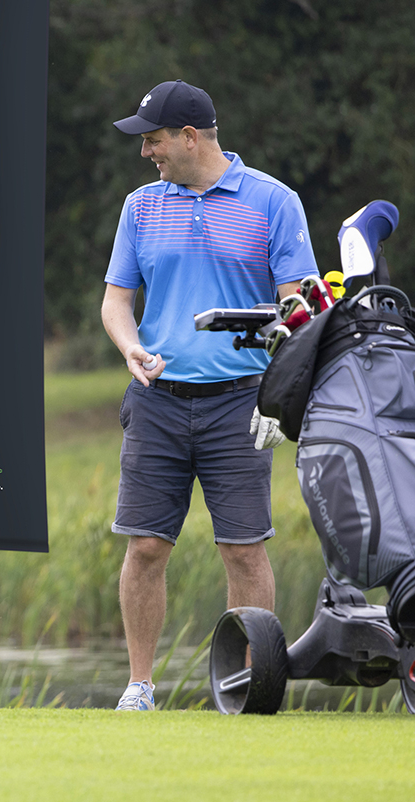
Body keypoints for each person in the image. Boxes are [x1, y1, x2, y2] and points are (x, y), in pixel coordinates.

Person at [101, 80, 318, 711]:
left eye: (154, 140)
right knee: (144, 546)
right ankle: (139, 686)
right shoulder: (141, 206)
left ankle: (247, 683)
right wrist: (128, 346)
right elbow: (117, 300)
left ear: (190, 136)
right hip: (157, 397)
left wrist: (280, 392)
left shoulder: (273, 202)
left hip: (240, 402)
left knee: (243, 550)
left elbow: (297, 308)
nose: (147, 153)